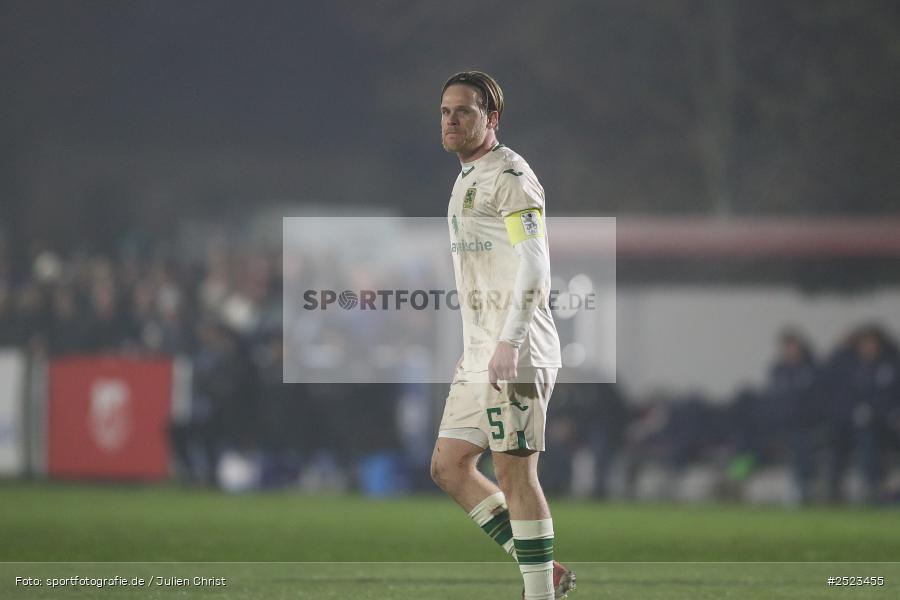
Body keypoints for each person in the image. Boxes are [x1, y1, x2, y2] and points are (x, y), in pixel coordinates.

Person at [429, 71, 575, 600]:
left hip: (516, 352)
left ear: (491, 119)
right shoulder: (470, 174)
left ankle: (539, 593)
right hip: (482, 354)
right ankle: (544, 570)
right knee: (448, 466)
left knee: (515, 475)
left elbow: (536, 268)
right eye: (445, 111)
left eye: (464, 111)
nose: (452, 120)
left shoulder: (509, 174)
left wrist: (509, 342)